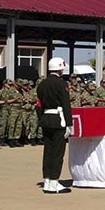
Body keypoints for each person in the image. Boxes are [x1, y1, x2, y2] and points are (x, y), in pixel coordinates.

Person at [36, 57, 73, 194]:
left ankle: (47, 181)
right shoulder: (61, 83)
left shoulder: (42, 84)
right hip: (59, 119)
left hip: (46, 119)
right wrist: (69, 123)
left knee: (48, 151)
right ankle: (54, 182)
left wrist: (42, 119)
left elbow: (39, 105)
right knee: (57, 152)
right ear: (59, 69)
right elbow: (65, 104)